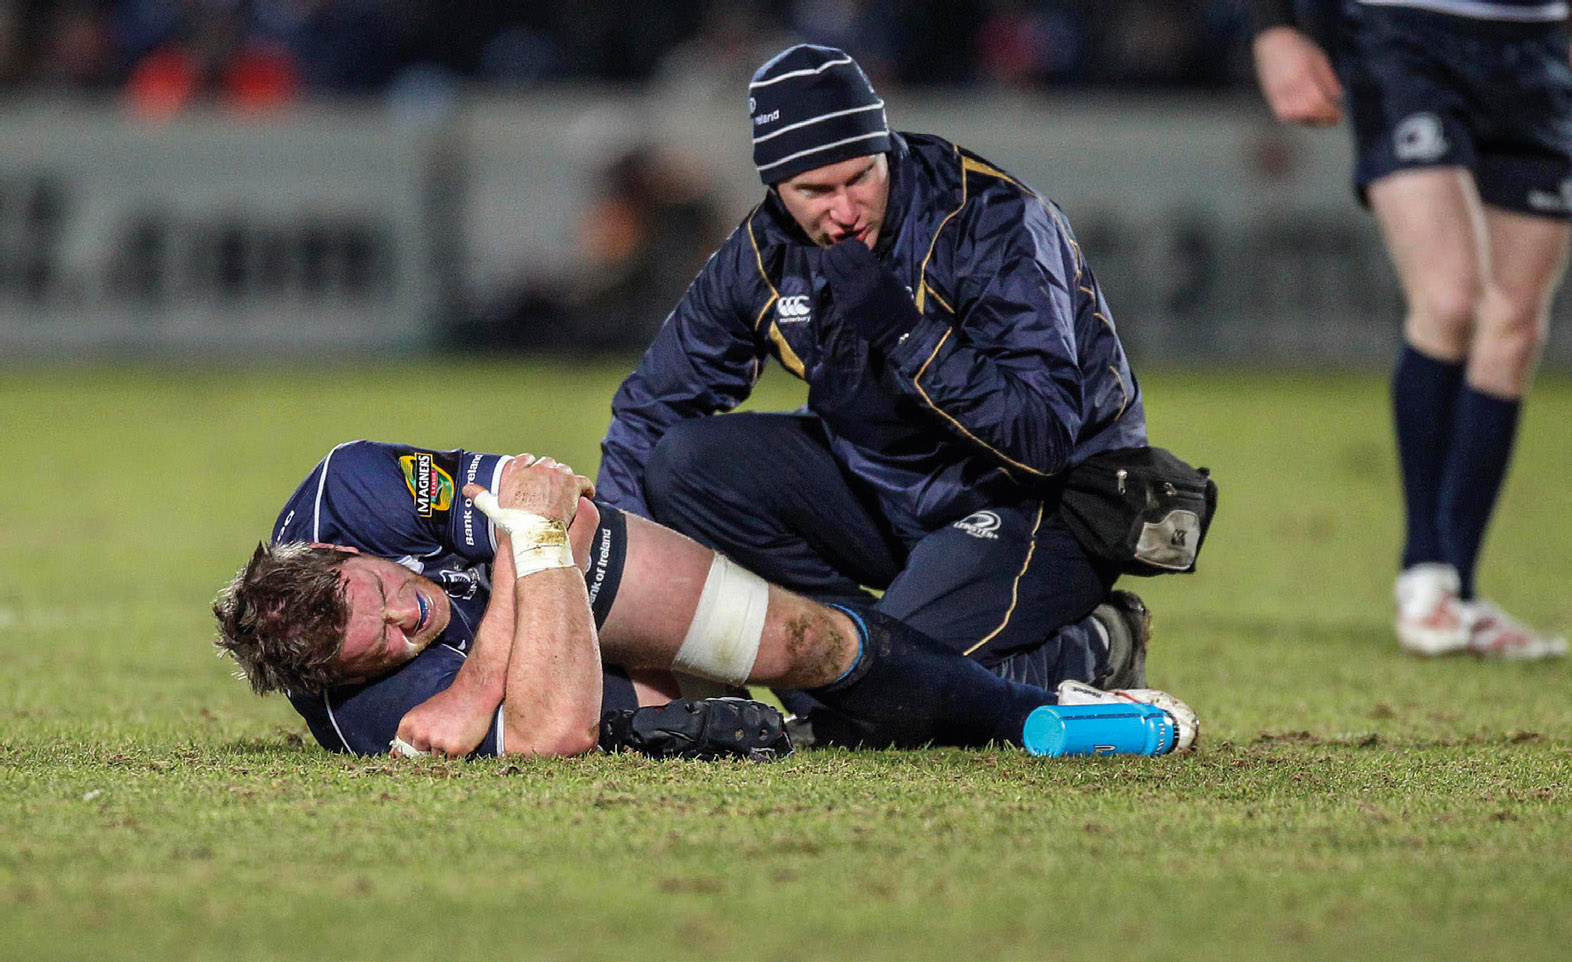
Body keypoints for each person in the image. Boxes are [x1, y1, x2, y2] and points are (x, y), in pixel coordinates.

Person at [598, 44, 1154, 706]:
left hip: (1038, 505)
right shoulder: (764, 250)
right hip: (891, 493)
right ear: (776, 187)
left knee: (896, 687)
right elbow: (650, 409)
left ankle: (1098, 644)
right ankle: (845, 667)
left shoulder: (993, 221)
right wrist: (620, 600)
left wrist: (906, 333)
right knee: (684, 464)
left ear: (883, 149)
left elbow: (1042, 439)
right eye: (814, 190)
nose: (843, 210)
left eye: (859, 177)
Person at [213, 441, 1197, 758]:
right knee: (680, 727)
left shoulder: (354, 485)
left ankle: (1041, 702)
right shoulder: (359, 712)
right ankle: (1075, 660)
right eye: (379, 645)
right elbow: (555, 730)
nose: (404, 618)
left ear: (344, 548)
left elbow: (555, 498)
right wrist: (525, 538)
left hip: (574, 572)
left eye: (381, 591)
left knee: (806, 647)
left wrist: (474, 690)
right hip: (558, 636)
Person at [1247, 0, 1569, 658]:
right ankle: (1424, 570)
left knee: (1515, 325)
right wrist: (1273, 26)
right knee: (1450, 299)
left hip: (1536, 48)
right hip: (1403, 31)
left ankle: (1461, 595)